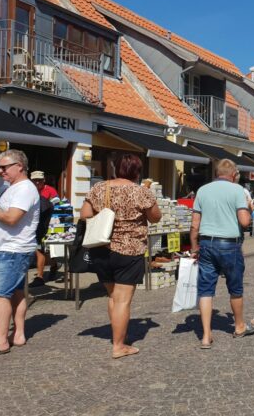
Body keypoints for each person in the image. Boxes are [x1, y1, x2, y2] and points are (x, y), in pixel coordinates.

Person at [80, 153, 161, 359]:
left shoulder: (99, 188)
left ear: (115, 168)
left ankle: (117, 337)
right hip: (129, 250)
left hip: (101, 248)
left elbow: (85, 215)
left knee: (113, 296)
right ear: (137, 171)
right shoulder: (141, 192)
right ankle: (119, 345)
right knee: (123, 300)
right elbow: (155, 218)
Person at [0, 150, 39, 358]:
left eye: (4, 167)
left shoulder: (24, 189)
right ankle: (19, 334)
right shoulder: (12, 187)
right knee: (16, 293)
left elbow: (12, 218)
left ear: (19, 166)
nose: (0, 170)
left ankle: (1, 340)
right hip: (10, 247)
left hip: (13, 248)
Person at [190, 159, 254, 348]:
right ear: (234, 175)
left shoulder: (203, 190)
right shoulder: (237, 191)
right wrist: (250, 209)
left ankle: (206, 335)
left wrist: (194, 247)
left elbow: (195, 224)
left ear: (217, 173)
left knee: (205, 290)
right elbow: (244, 222)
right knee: (235, 288)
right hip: (229, 245)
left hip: (206, 243)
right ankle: (239, 326)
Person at [30, 172, 57, 287]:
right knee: (41, 250)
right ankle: (54, 265)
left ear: (44, 180)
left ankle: (40, 277)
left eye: (39, 180)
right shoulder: (29, 191)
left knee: (40, 250)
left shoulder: (51, 190)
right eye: (35, 180)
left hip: (47, 224)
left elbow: (57, 206)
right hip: (33, 224)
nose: (37, 182)